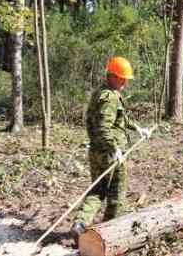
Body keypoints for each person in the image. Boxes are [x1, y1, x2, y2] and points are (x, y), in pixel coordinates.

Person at [71, 57, 151, 239]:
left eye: (126, 79)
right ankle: (108, 233)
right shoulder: (110, 98)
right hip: (110, 154)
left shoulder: (102, 92)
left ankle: (80, 223)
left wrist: (138, 128)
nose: (125, 82)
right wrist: (114, 149)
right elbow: (103, 127)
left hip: (96, 152)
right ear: (112, 76)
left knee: (97, 190)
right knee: (117, 194)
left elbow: (119, 120)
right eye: (122, 78)